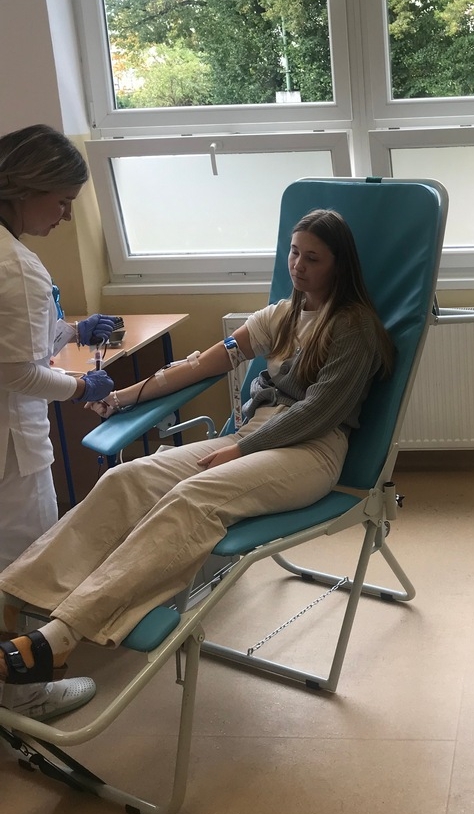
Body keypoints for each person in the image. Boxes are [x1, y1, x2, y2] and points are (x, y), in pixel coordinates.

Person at [0, 208, 394, 687]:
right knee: (129, 477)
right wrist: (120, 396)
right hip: (251, 437)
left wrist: (242, 450)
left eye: (313, 258)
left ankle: (59, 639)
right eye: (294, 253)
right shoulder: (282, 315)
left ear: (339, 265)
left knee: (193, 498)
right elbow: (203, 365)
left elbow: (320, 411)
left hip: (310, 451)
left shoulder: (354, 327)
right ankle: (15, 595)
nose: (298, 265)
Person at [0, 124, 119, 719]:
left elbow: (16, 337)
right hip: (11, 453)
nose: (68, 215)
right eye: (63, 200)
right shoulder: (16, 265)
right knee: (24, 568)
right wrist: (81, 386)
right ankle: (26, 695)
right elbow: (17, 372)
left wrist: (73, 330)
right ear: (26, 188)